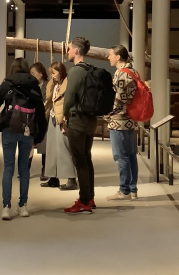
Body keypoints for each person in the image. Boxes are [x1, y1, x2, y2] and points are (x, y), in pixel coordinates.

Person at [0, 58, 47, 221]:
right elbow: (40, 114)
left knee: (8, 167)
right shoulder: (33, 84)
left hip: (9, 129)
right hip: (27, 131)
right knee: (24, 169)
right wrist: (39, 136)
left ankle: (6, 207)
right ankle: (23, 206)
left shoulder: (8, 83)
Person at [62, 37, 98, 214]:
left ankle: (84, 201)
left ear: (76, 51)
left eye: (69, 48)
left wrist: (64, 116)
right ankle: (89, 197)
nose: (67, 51)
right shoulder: (91, 69)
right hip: (91, 120)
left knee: (79, 160)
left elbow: (69, 98)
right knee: (86, 158)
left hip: (77, 120)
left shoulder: (76, 71)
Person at [105, 45, 139, 201]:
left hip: (119, 121)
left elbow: (119, 100)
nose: (108, 57)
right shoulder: (133, 71)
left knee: (121, 156)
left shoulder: (121, 74)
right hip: (130, 120)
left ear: (118, 57)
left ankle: (124, 190)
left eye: (110, 54)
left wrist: (108, 114)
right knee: (131, 155)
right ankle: (132, 189)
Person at [41, 61, 78, 190]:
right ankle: (53, 178)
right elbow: (49, 99)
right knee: (51, 149)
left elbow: (69, 103)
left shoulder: (67, 84)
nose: (52, 75)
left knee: (64, 148)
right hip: (52, 117)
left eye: (54, 73)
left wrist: (65, 120)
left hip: (62, 119)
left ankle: (71, 179)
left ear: (60, 72)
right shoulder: (54, 85)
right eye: (51, 73)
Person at [29, 62, 49, 181]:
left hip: (44, 118)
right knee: (29, 145)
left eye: (33, 73)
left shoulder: (48, 85)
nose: (31, 75)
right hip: (31, 118)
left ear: (41, 74)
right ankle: (25, 170)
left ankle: (45, 170)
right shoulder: (30, 86)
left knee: (44, 146)